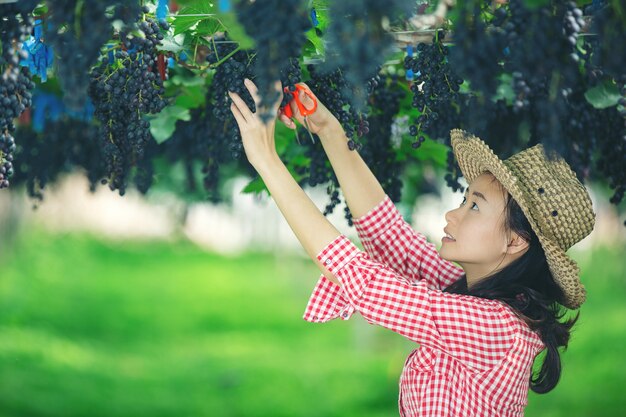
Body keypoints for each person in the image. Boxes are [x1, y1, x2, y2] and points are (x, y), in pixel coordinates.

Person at [228, 78, 595, 417]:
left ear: (516, 241)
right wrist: (329, 130)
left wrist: (266, 160)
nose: (453, 214)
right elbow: (388, 236)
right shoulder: (472, 290)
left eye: (475, 206)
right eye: (465, 200)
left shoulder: (495, 326)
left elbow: (363, 282)